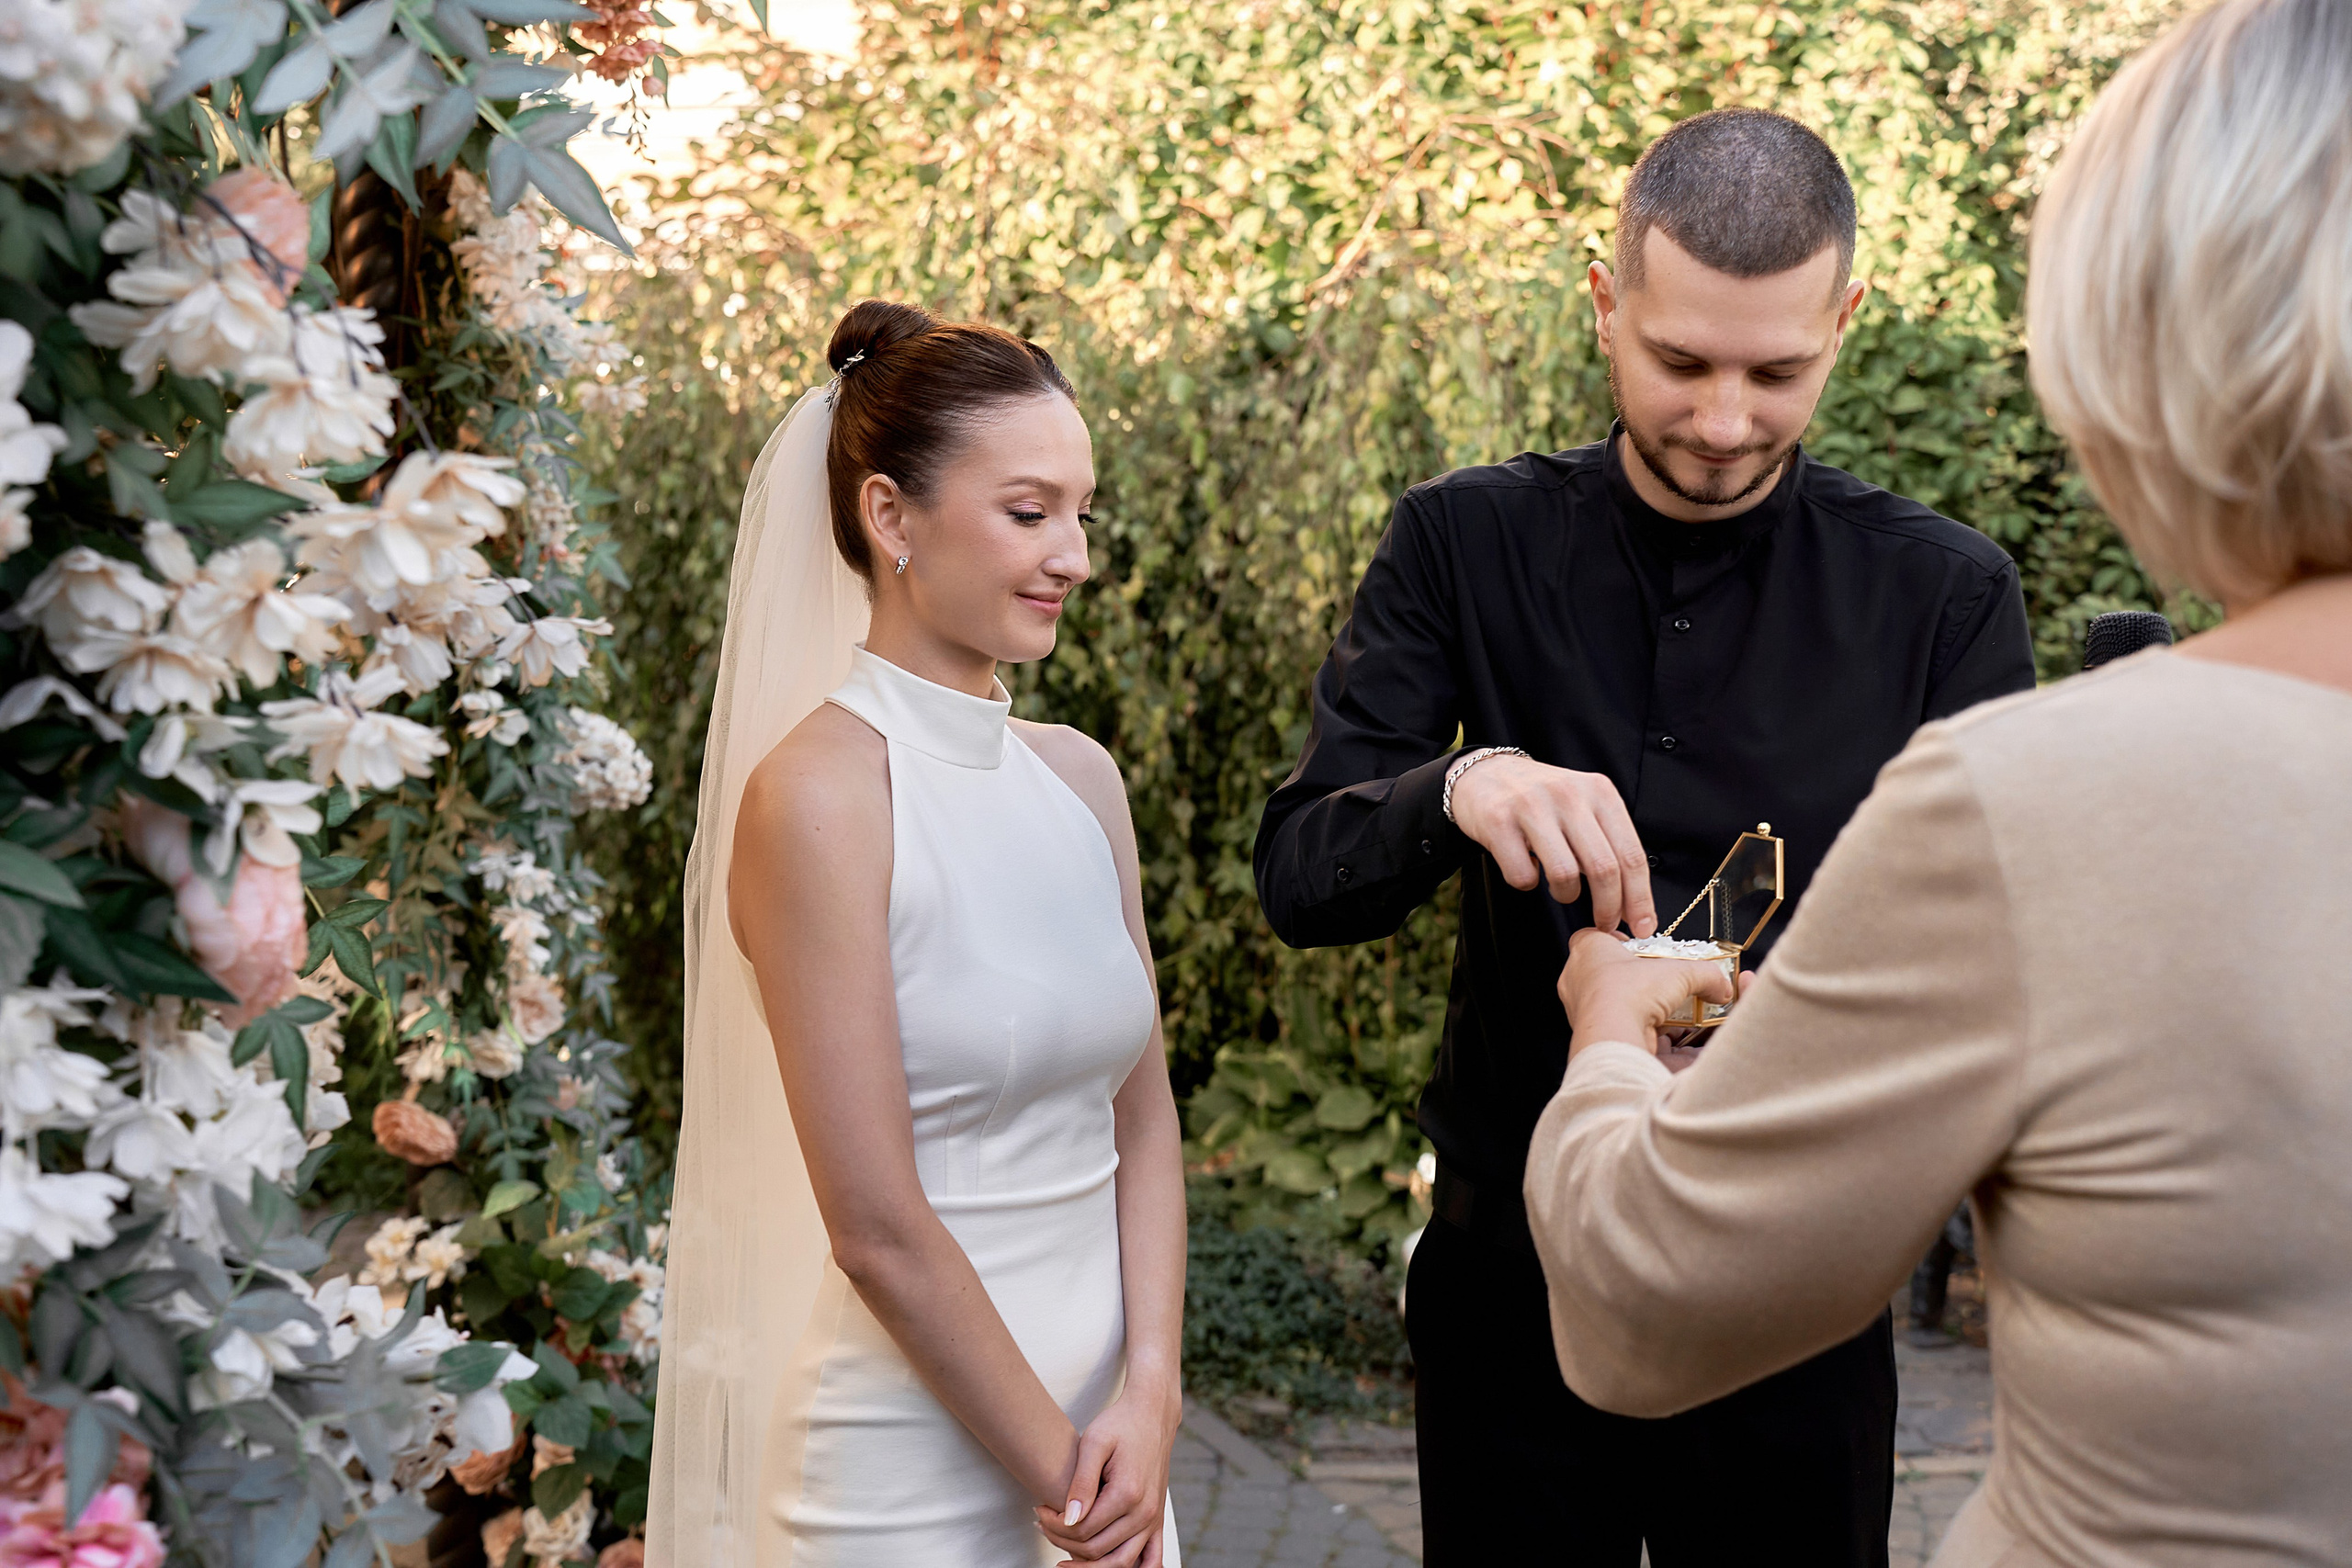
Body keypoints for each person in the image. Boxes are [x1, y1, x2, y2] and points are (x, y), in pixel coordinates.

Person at [1529, 2, 2352, 1563]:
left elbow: (1645, 1305)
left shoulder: (2031, 791)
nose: (1724, 419)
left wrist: (1613, 1040)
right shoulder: (1476, 539)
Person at [1252, 107, 2037, 1564]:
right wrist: (1456, 788)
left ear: (1845, 321)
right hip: (1510, 1294)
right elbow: (1301, 875)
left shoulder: (1948, 600)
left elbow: (2006, 970)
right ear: (1606, 303)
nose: (1724, 420)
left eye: (1777, 371)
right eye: (1681, 361)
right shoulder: (1457, 542)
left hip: (1797, 1305)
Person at [647, 300, 1185, 1568]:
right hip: (905, 1478)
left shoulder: (1082, 780)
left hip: (1114, 1449)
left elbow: (1143, 1116)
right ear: (890, 516)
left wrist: (1152, 1394)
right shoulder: (818, 799)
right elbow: (876, 1224)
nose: (1075, 557)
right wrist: (1071, 1484)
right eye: (1027, 511)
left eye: (1082, 515)